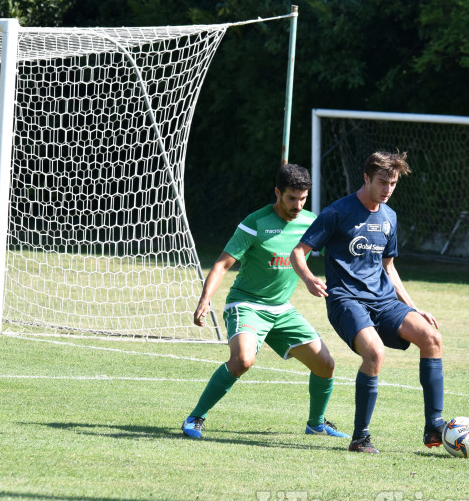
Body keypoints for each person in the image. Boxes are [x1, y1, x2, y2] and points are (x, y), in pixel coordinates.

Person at [290, 151, 444, 454]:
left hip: (383, 301)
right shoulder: (338, 212)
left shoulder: (390, 216)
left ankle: (434, 426)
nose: (388, 189)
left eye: (393, 183)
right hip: (346, 300)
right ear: (366, 178)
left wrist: (413, 308)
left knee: (432, 337)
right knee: (374, 352)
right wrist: (308, 279)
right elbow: (299, 251)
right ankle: (360, 437)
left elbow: (389, 268)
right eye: (382, 182)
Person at [182, 163, 349, 440]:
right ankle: (195, 417)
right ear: (277, 193)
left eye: (303, 198)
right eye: (291, 198)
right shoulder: (255, 223)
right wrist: (204, 300)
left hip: (282, 309)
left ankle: (316, 424)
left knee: (326, 365)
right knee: (243, 360)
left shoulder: (311, 222)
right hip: (246, 304)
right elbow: (223, 264)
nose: (298, 205)